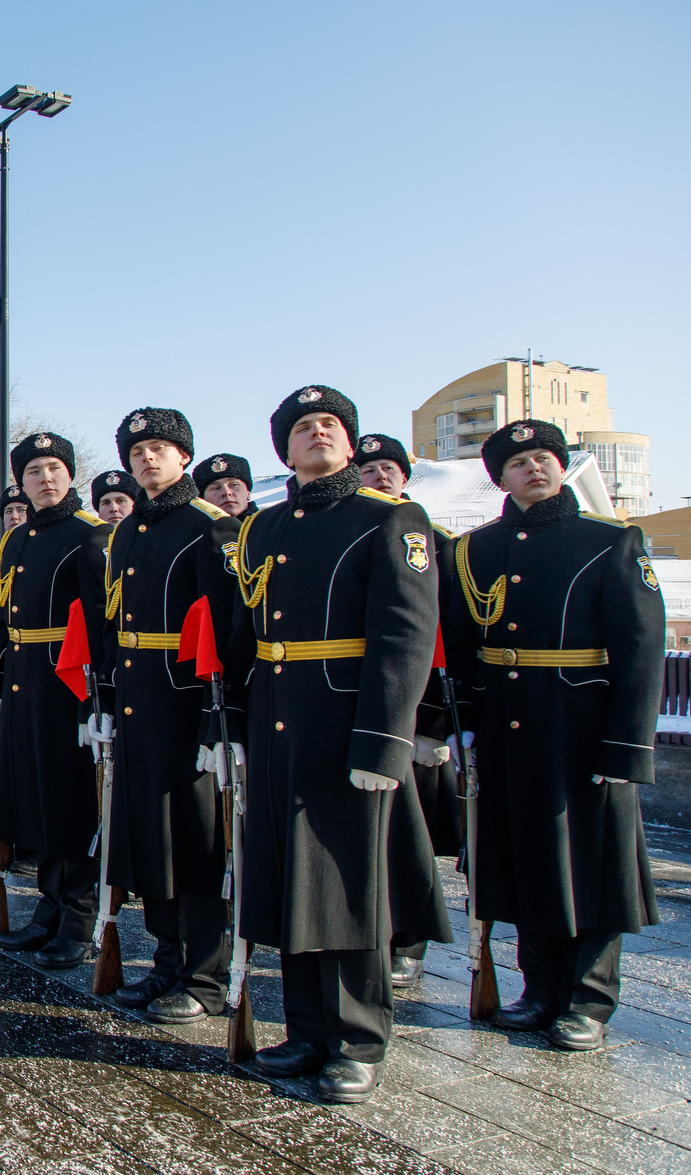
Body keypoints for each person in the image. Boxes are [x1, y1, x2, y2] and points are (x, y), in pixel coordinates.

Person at [227, 386, 436, 1104]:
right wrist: (234, 728)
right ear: (284, 450)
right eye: (302, 428)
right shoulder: (265, 526)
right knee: (291, 880)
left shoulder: (389, 517)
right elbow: (245, 636)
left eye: (330, 425)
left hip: (348, 722)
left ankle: (357, 1039)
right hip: (280, 716)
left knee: (348, 887)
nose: (317, 434)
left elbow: (405, 638)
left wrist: (384, 744)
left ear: (350, 444)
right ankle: (308, 1029)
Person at [449, 420, 663, 1052]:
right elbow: (463, 650)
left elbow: (642, 649)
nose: (533, 469)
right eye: (518, 463)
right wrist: (462, 728)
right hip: (508, 726)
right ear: (500, 478)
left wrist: (627, 744)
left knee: (591, 862)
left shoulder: (611, 541)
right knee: (528, 861)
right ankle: (539, 990)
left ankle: (589, 1001)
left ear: (562, 467)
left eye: (544, 458)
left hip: (583, 725)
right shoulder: (474, 550)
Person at [100, 409, 241, 1024]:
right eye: (137, 452)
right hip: (138, 699)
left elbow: (236, 631)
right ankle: (165, 960)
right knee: (150, 835)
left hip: (188, 703)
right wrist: (103, 701)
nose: (147, 460)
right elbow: (113, 622)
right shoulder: (128, 530)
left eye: (159, 449)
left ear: (184, 456)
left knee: (196, 838)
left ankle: (204, 976)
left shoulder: (213, 527)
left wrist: (223, 721)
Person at [0, 431, 110, 967]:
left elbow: (103, 627)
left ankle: (78, 918)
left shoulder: (93, 535)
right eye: (34, 471)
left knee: (70, 802)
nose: (44, 479)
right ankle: (48, 907)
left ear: (70, 474)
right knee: (35, 799)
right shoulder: (15, 541)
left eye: (53, 469)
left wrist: (96, 703)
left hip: (69, 684)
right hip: (24, 678)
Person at [354, 433, 458, 989]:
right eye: (368, 469)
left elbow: (439, 639)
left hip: (405, 710)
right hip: (349, 697)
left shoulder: (433, 541)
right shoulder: (349, 527)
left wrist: (435, 721)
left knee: (403, 832)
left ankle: (408, 937)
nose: (379, 477)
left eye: (389, 468)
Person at [192, 453, 255, 518]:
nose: (226, 492)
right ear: (203, 499)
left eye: (234, 485)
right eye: (216, 488)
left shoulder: (265, 525)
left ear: (248, 493)